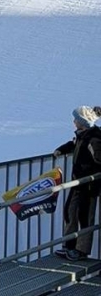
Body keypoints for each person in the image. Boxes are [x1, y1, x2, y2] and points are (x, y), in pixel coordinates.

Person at [53, 106, 101, 261]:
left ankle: (81, 250)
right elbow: (74, 144)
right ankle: (69, 246)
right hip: (77, 182)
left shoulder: (94, 138)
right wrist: (61, 149)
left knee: (84, 217)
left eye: (76, 119)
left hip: (89, 185)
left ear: (83, 121)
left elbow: (99, 158)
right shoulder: (82, 135)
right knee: (69, 211)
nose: (74, 122)